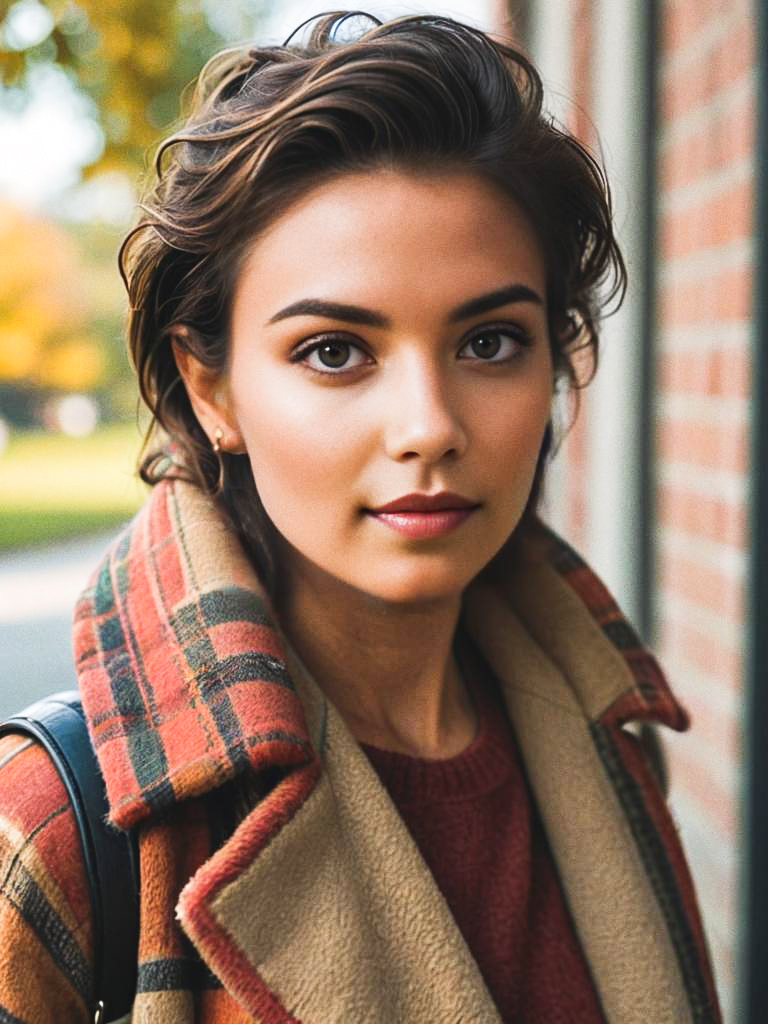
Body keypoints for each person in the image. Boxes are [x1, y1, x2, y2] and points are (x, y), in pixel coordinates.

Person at [0, 11, 721, 1023]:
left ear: (555, 360)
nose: (428, 426)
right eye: (335, 351)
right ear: (211, 391)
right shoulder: (60, 827)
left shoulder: (610, 741)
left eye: (490, 343)